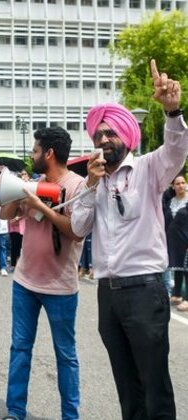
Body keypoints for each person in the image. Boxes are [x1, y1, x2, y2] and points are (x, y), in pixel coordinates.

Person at [71, 59, 185, 419]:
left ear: (126, 136)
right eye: (98, 135)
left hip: (144, 292)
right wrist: (90, 186)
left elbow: (177, 150)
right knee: (127, 386)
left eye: (111, 133)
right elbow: (77, 227)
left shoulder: (151, 168)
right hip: (109, 294)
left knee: (154, 386)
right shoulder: (94, 182)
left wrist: (172, 111)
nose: (104, 139)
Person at [0, 127, 85, 420]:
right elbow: (5, 214)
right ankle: (15, 410)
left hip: (61, 287)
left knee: (66, 355)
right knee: (20, 348)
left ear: (48, 153)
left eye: (35, 151)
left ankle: (70, 415)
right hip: (25, 282)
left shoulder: (78, 187)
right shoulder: (34, 183)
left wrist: (41, 207)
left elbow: (75, 231)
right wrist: (16, 190)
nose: (32, 155)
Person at [165, 174, 188, 311]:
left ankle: (186, 298)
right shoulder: (169, 202)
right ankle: (177, 294)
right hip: (174, 242)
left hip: (186, 240)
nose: (180, 185)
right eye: (177, 183)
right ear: (173, 187)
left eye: (183, 183)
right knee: (177, 268)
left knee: (187, 269)